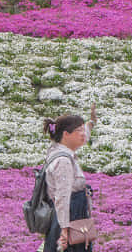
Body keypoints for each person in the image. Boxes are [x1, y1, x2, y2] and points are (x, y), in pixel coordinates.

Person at [43, 104, 97, 252]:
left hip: (73, 216)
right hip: (69, 218)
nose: (83, 134)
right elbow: (62, 197)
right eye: (78, 130)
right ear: (66, 134)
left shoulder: (59, 149)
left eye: (83, 130)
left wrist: (91, 123)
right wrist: (64, 230)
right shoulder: (63, 161)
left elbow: (84, 136)